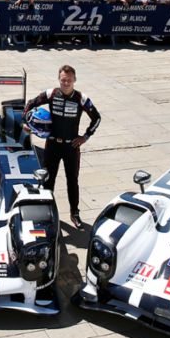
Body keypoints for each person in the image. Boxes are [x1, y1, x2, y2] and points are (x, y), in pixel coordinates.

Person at [25, 65, 101, 228]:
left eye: (69, 80)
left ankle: (75, 214)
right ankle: (46, 212)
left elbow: (97, 118)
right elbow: (30, 104)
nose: (66, 83)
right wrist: (27, 123)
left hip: (71, 147)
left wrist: (85, 136)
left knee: (72, 181)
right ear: (59, 79)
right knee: (47, 180)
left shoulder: (81, 98)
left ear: (74, 80)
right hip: (52, 144)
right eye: (63, 80)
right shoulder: (51, 94)